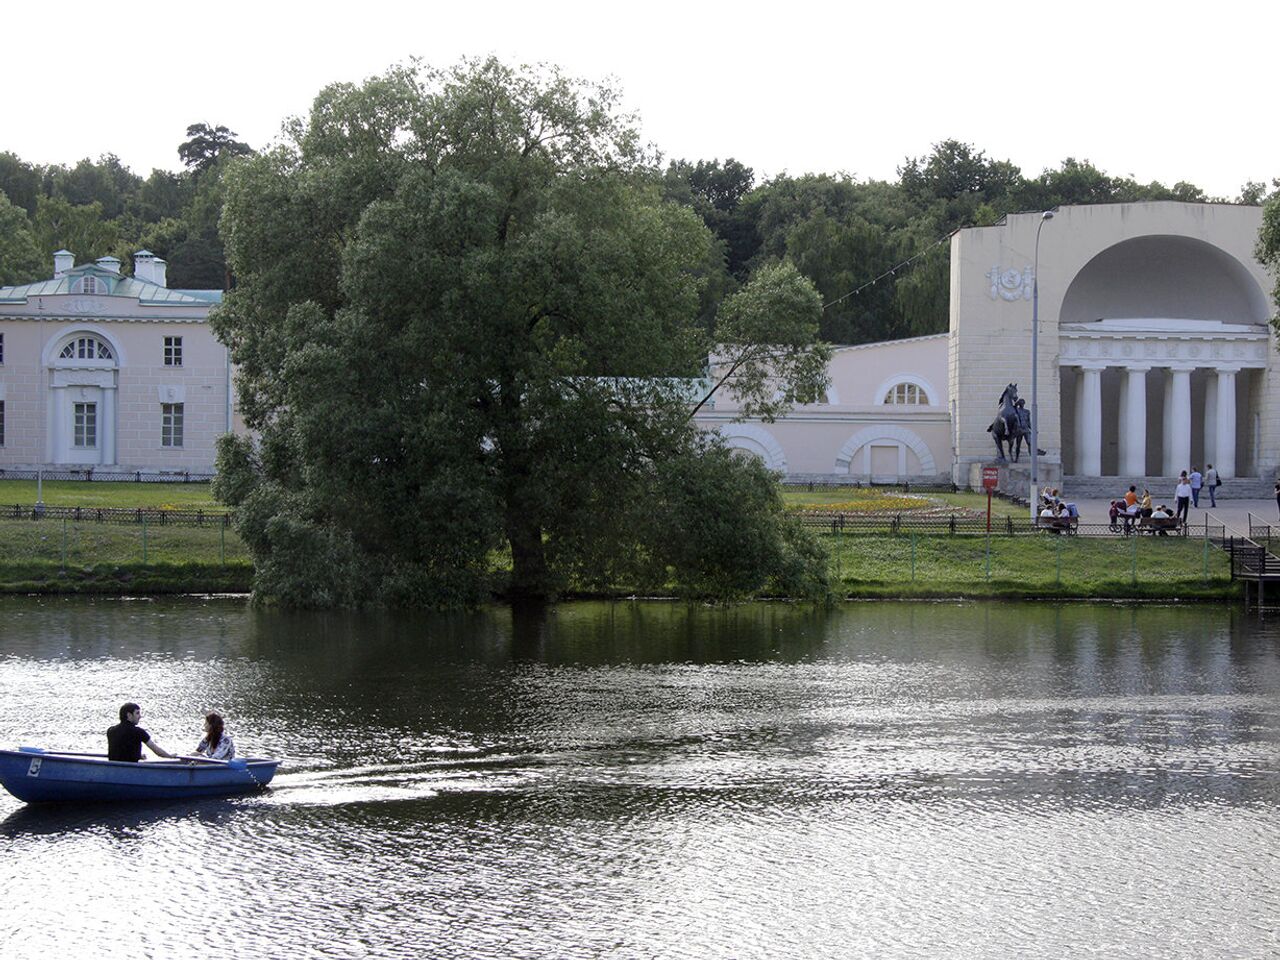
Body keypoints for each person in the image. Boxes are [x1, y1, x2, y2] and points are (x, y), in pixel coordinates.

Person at [107, 702, 175, 762]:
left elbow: (121, 750)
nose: (140, 716)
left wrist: (138, 756)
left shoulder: (110, 731)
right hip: (131, 770)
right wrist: (170, 756)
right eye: (137, 713)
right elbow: (157, 751)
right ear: (129, 715)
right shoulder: (139, 732)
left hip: (114, 768)